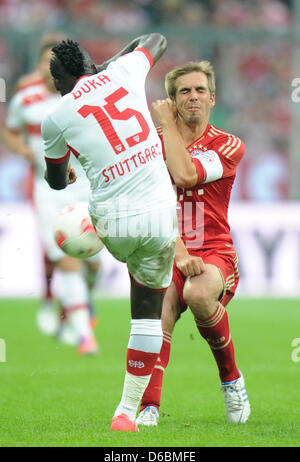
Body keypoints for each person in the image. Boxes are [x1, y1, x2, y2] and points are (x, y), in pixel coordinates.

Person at [41, 35, 178, 432]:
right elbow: (155, 38)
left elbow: (55, 181)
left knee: (83, 221)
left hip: (112, 224)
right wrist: (109, 65)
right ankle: (126, 413)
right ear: (91, 64)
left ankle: (81, 290)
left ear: (58, 82)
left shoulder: (57, 114)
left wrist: (65, 173)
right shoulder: (125, 69)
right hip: (160, 217)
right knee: (149, 315)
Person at [137, 61, 251, 426]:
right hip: (169, 247)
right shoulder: (151, 143)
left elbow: (186, 175)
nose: (193, 97)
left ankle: (231, 380)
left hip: (216, 250)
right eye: (184, 91)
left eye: (200, 90)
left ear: (212, 98)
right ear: (172, 100)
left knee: (198, 295)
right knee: (160, 312)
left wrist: (166, 123)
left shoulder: (228, 145)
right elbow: (146, 200)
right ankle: (149, 408)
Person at [4, 39, 100, 354]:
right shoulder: (26, 99)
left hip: (86, 186)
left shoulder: (81, 98)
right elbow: (10, 128)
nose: (52, 70)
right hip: (48, 189)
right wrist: (22, 150)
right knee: (68, 257)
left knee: (94, 263)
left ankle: (79, 303)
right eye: (47, 63)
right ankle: (85, 334)